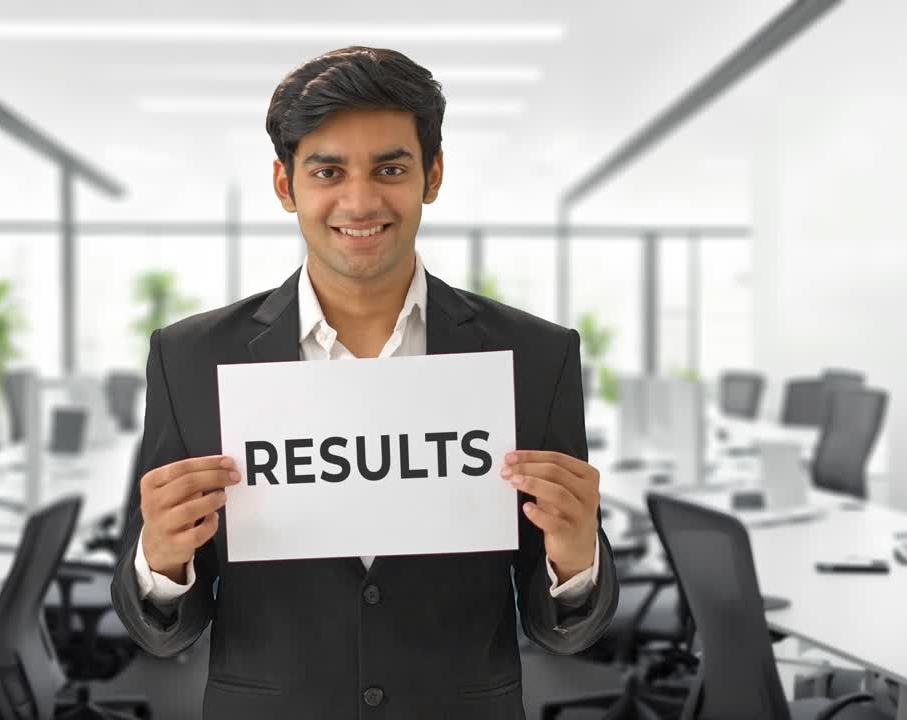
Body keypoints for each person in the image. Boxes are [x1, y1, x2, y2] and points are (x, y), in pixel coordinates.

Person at [112, 46, 618, 719]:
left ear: (431, 176)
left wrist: (577, 559)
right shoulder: (191, 357)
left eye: (390, 168)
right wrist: (162, 563)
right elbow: (161, 617)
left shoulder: (534, 354)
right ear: (285, 184)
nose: (360, 200)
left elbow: (560, 622)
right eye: (327, 170)